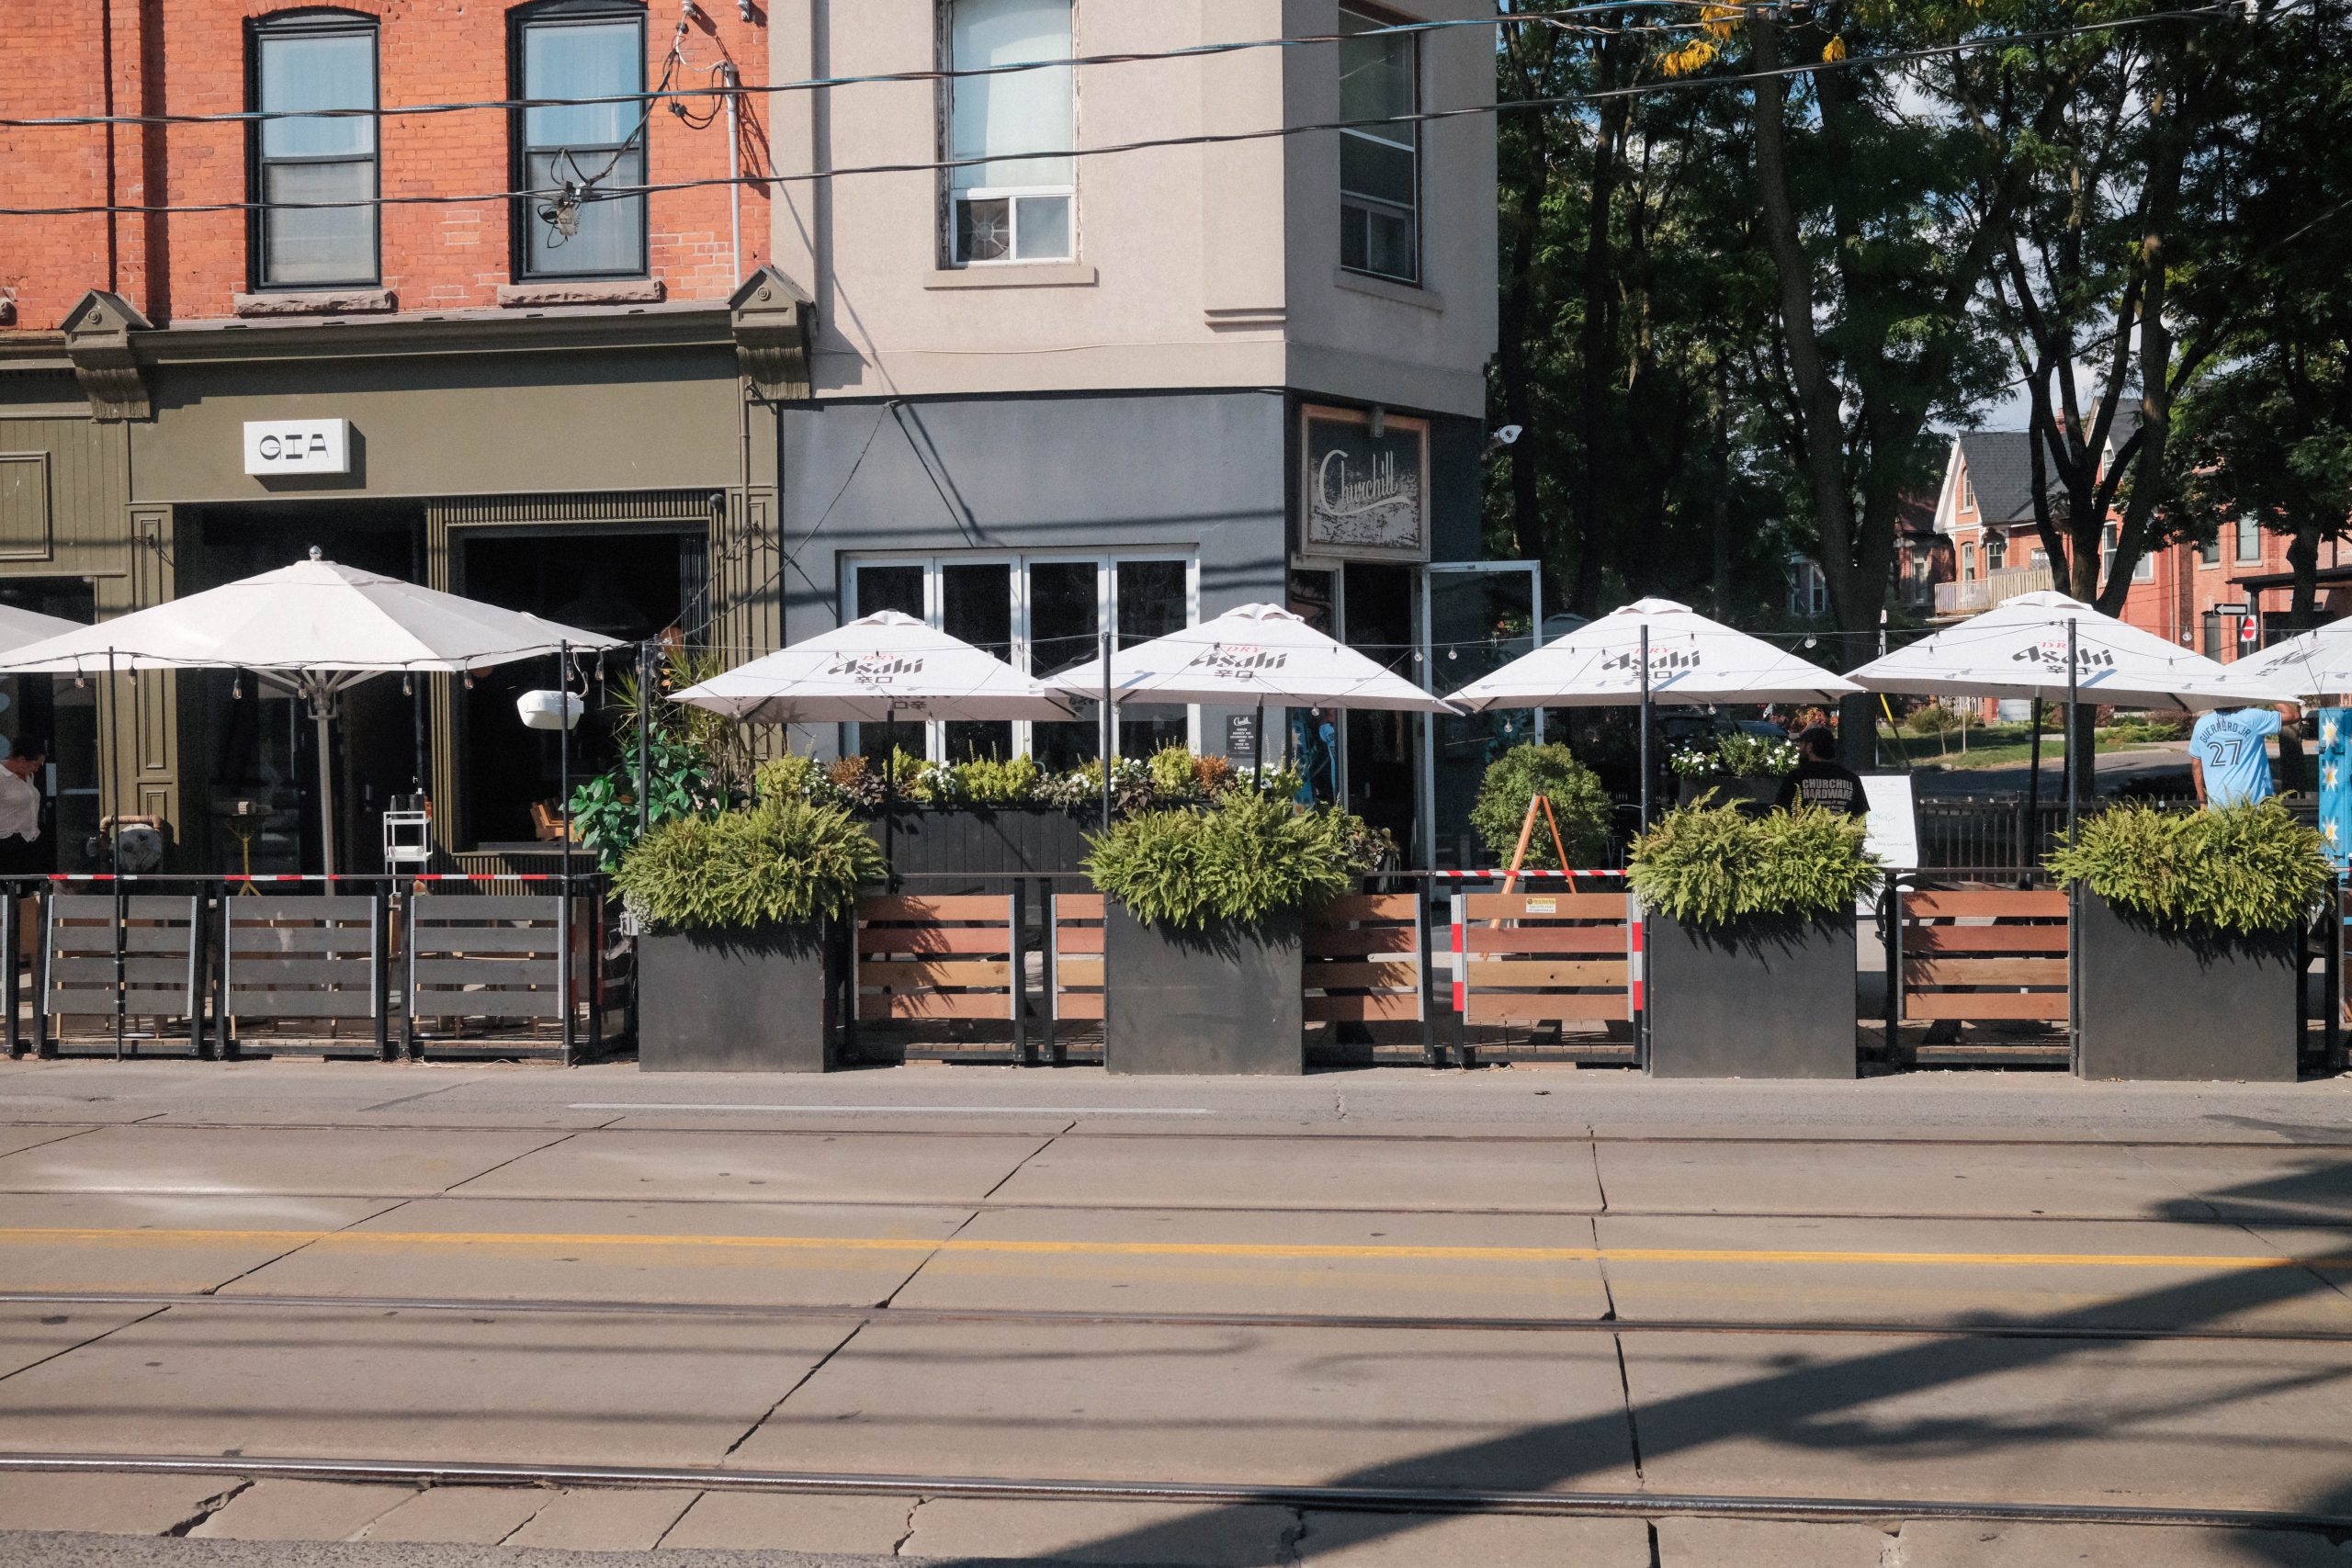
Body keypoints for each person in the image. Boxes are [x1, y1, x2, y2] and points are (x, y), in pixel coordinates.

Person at [2188, 705, 2284, 807]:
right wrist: (2270, 693)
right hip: (2253, 803)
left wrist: (2203, 802)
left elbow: (2196, 764)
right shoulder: (2252, 717)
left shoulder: (2202, 724)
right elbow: (2292, 715)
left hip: (2217, 803)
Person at [1775, 725, 1868, 818]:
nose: (1799, 747)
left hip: (1804, 832)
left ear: (1809, 747)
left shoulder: (1795, 777)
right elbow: (1861, 816)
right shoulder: (1851, 778)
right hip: (1841, 832)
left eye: (1801, 743)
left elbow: (1780, 813)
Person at [0, 738, 47, 878]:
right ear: (21, 760)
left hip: (29, 838)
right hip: (7, 841)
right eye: (35, 764)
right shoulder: (2, 777)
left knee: (31, 886)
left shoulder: (28, 776)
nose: (36, 769)